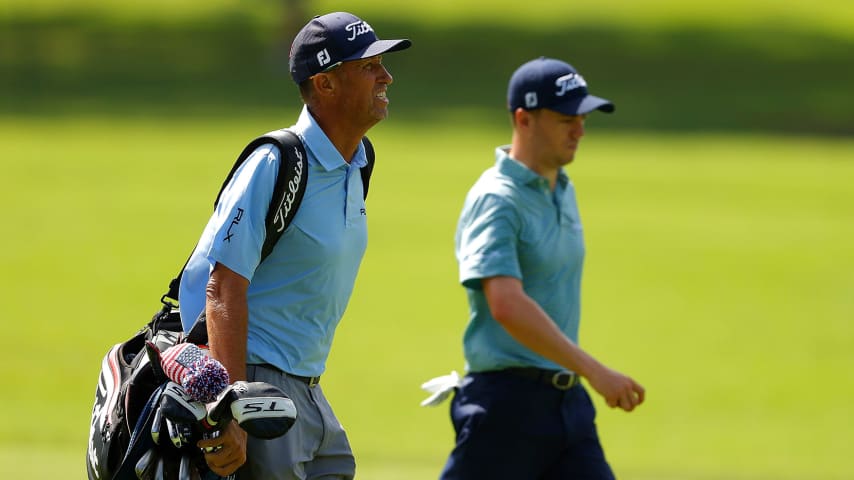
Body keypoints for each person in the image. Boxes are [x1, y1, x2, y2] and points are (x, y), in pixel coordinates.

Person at [176, 12, 411, 479]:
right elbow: (222, 290)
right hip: (255, 379)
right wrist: (234, 408)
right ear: (325, 84)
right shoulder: (275, 162)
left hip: (308, 388)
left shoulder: (358, 163)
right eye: (369, 66)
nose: (387, 76)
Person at [438, 57, 645, 479]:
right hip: (506, 410)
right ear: (523, 119)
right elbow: (506, 305)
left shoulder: (562, 189)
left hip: (568, 408)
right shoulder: (497, 200)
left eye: (583, 118)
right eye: (566, 118)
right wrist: (595, 371)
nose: (580, 130)